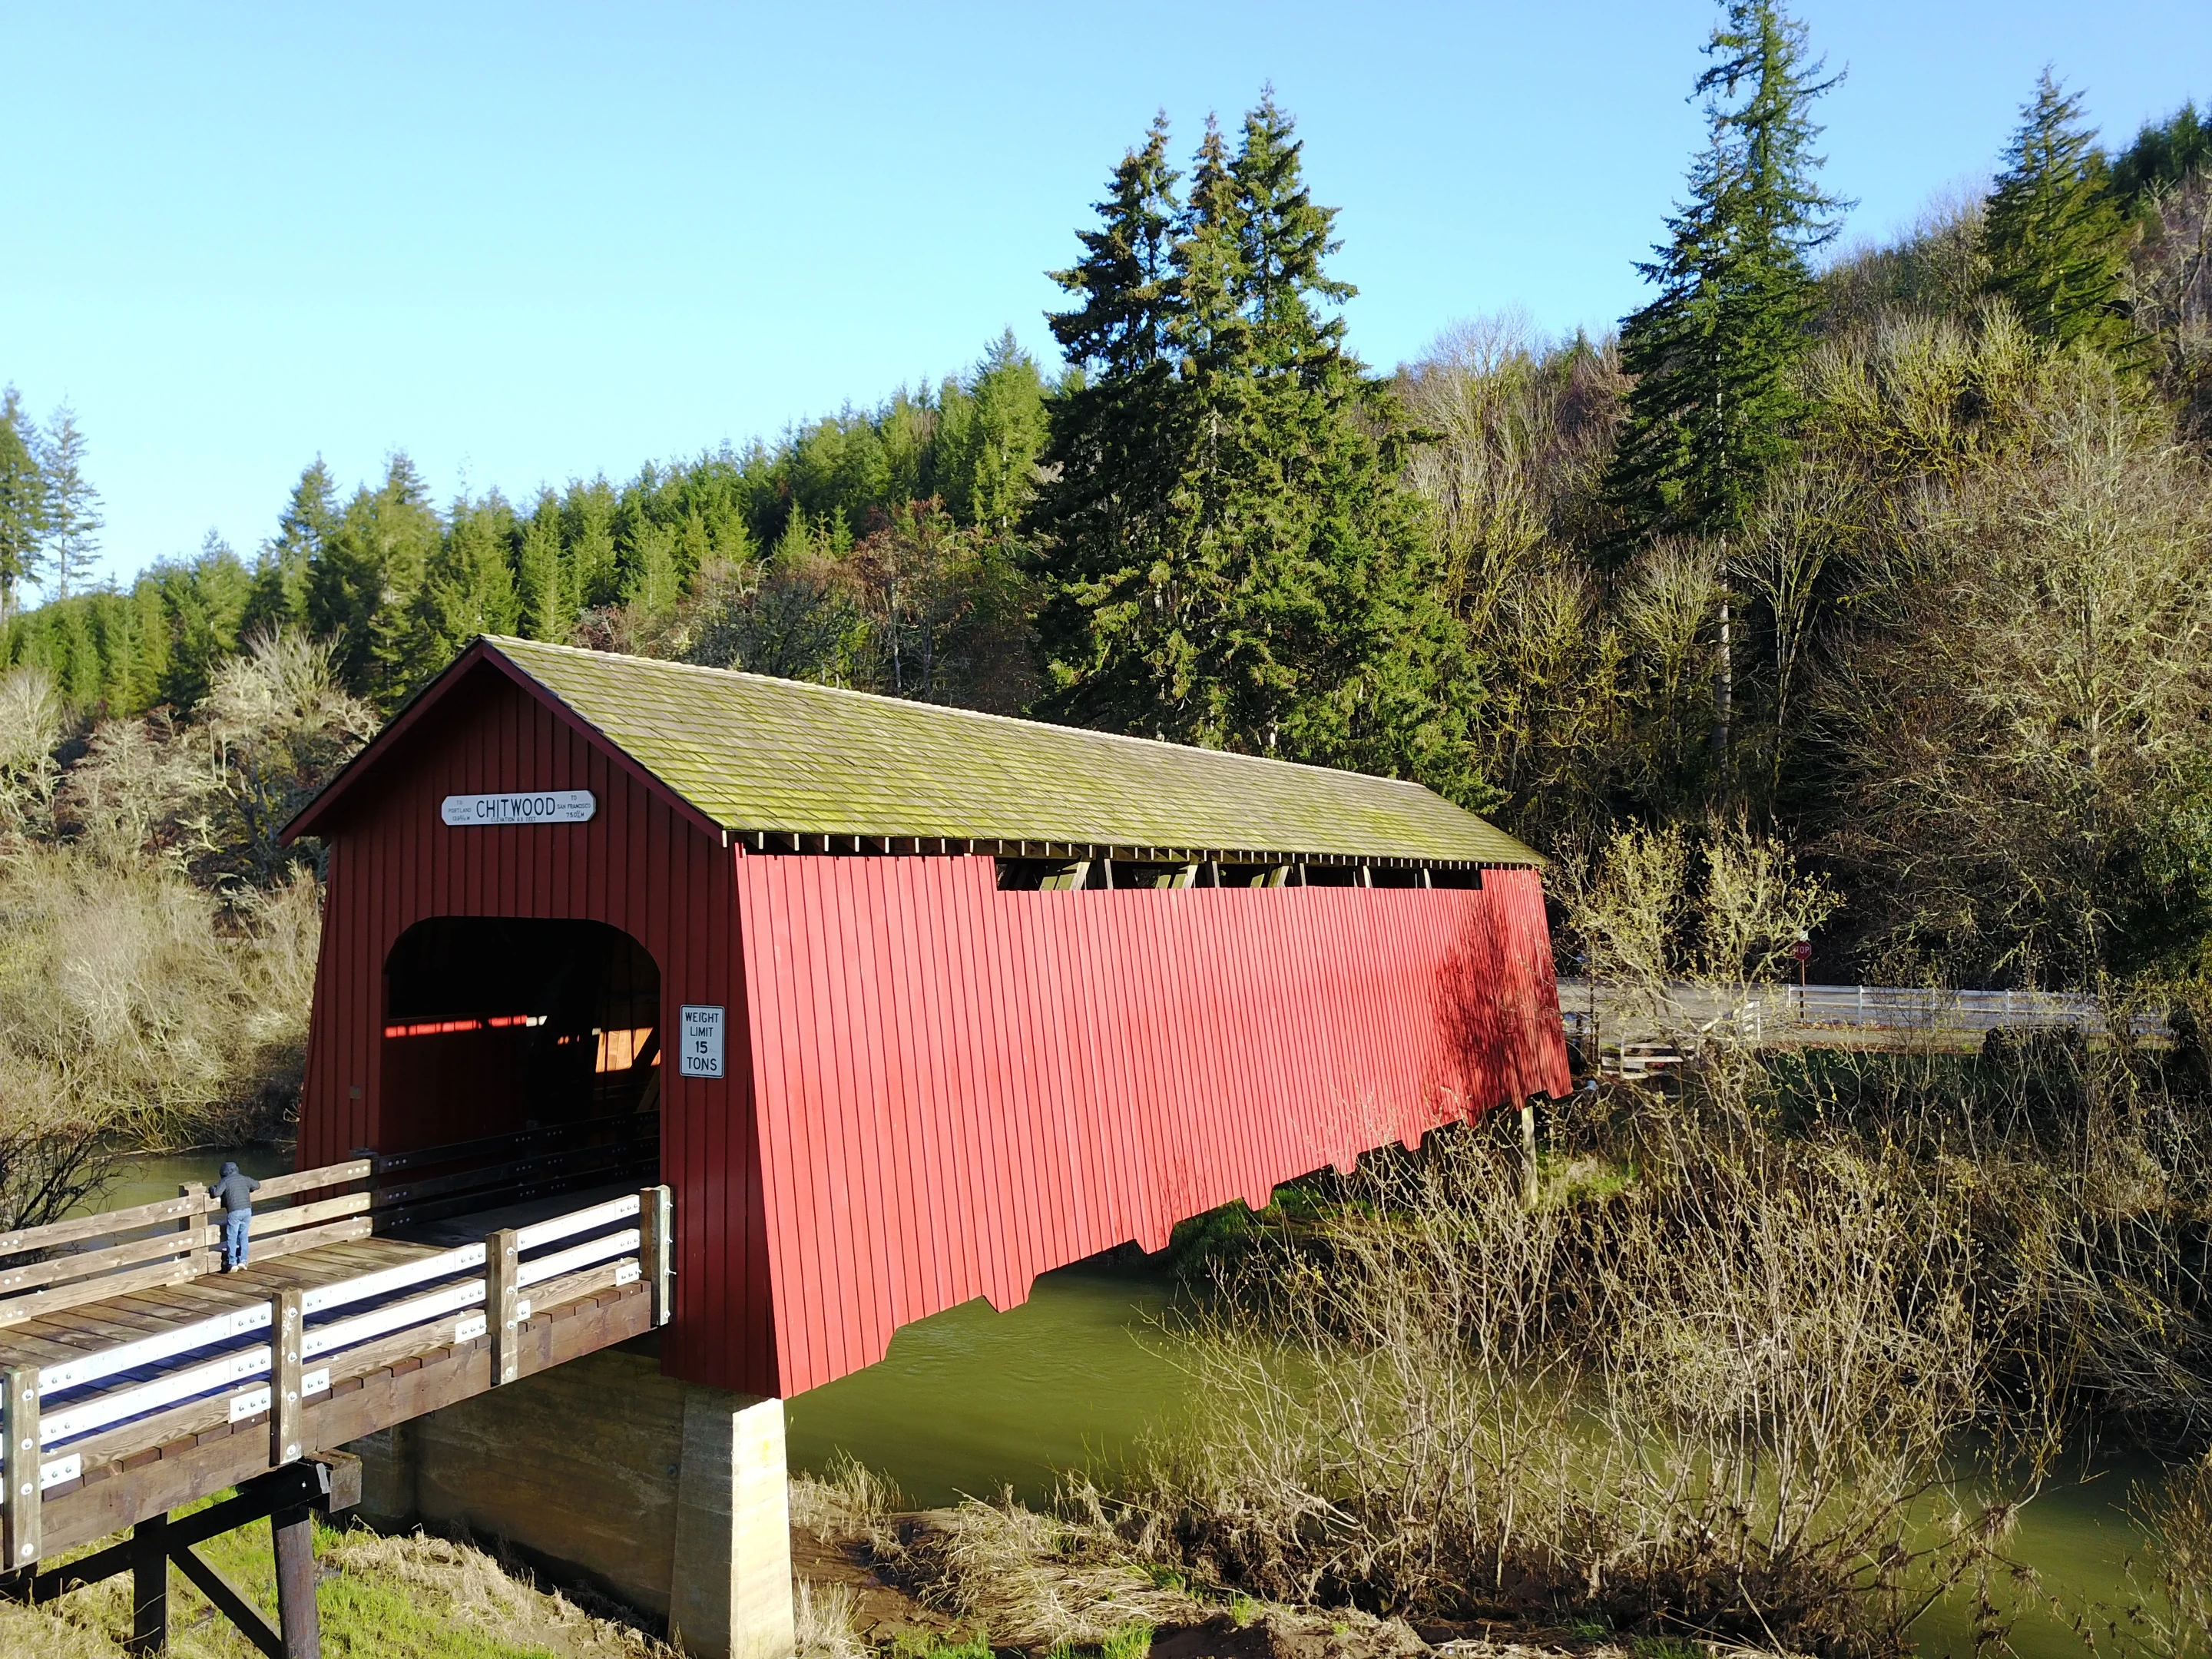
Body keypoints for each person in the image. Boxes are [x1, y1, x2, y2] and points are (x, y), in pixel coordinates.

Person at [210, 1161, 260, 1272]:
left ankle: (232, 1262)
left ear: (223, 1173)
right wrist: (248, 1188)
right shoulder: (244, 1178)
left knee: (232, 1237)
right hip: (247, 1210)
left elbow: (216, 1193)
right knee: (243, 1236)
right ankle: (243, 1260)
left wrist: (211, 1188)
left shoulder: (225, 1181)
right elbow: (257, 1185)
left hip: (234, 1211)